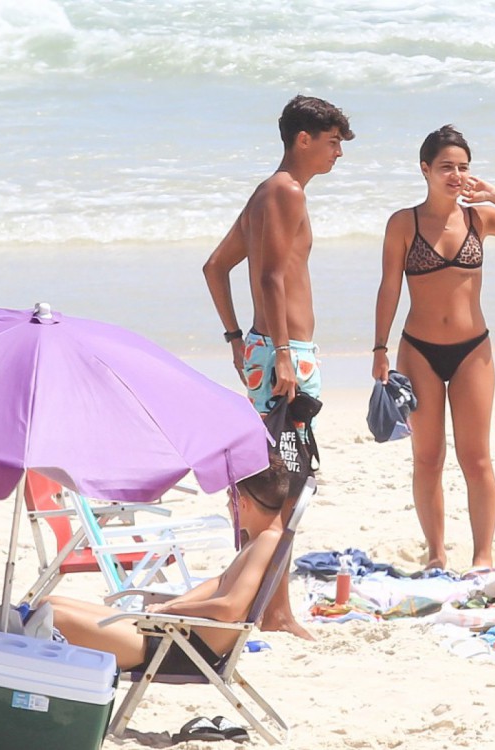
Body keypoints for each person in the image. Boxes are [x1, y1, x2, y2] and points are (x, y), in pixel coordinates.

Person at [203, 94, 352, 640]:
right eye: (333, 141)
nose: (339, 152)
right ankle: (275, 610)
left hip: (269, 350)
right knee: (282, 484)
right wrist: (284, 353)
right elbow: (268, 277)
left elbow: (215, 268)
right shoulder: (286, 191)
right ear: (304, 139)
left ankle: (260, 604)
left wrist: (236, 339)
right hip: (285, 355)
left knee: (266, 478)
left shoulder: (266, 193)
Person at [372, 125, 495, 570]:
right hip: (419, 351)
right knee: (428, 457)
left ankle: (482, 555)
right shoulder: (404, 223)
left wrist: (494, 194)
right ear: (425, 169)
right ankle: (435, 554)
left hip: (474, 349)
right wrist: (379, 349)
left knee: (477, 457)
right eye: (446, 167)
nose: (455, 175)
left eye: (463, 167)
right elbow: (389, 287)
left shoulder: (478, 218)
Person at [46, 455, 291, 671]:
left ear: (243, 503)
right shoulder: (263, 539)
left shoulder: (266, 541)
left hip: (180, 648)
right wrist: (175, 604)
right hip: (176, 634)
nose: (228, 506)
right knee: (49, 603)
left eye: (230, 499)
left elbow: (231, 608)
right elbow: (219, 582)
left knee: (52, 616)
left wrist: (172, 610)